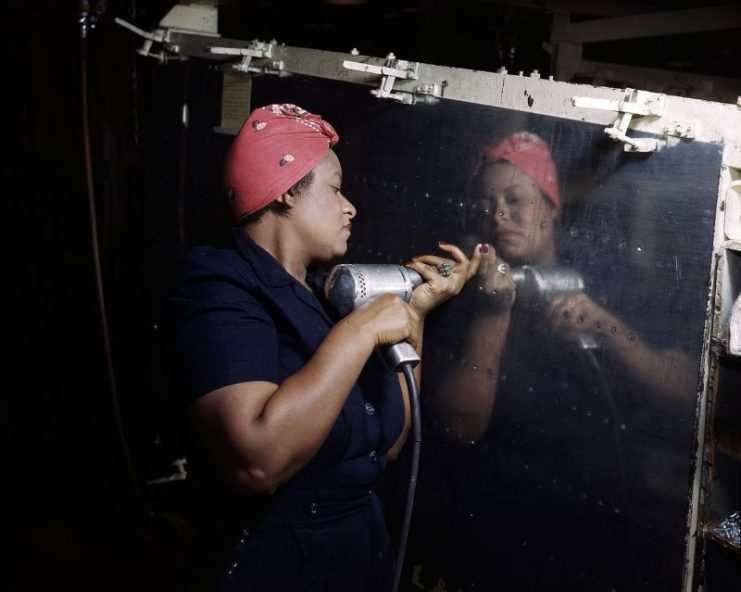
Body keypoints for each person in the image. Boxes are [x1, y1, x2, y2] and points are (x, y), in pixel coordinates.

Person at [163, 103, 483, 592]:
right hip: (273, 568)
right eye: (335, 189)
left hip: (356, 554)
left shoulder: (320, 296)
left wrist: (414, 313)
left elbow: (390, 444)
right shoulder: (219, 288)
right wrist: (359, 332)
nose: (350, 206)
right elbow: (256, 462)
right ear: (289, 191)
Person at [416, 131, 696, 590]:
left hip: (597, 523)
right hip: (496, 529)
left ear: (552, 205)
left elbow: (687, 395)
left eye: (515, 198)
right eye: (486, 203)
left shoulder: (611, 276)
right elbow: (459, 424)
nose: (499, 214)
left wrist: (604, 325)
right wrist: (494, 311)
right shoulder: (459, 294)